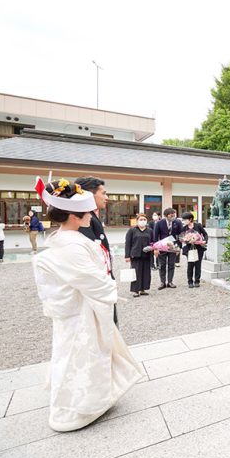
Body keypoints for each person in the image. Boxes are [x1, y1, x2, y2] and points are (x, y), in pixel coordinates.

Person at [32, 177, 142, 432]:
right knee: (81, 356)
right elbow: (92, 280)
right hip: (81, 311)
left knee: (80, 355)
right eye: (84, 210)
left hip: (80, 308)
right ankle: (77, 409)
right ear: (73, 216)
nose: (90, 213)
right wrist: (109, 287)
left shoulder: (64, 239)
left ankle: (98, 397)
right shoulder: (71, 244)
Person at [74, 176, 118, 326]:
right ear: (89, 194)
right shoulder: (84, 218)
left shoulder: (91, 215)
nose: (106, 197)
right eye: (103, 193)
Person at [124, 213, 154, 297]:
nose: (143, 221)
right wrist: (127, 256)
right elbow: (128, 243)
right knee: (136, 272)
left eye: (144, 220)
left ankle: (143, 289)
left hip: (147, 255)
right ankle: (136, 290)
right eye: (141, 219)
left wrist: (152, 249)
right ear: (137, 221)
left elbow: (152, 242)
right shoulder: (132, 230)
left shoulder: (150, 230)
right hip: (135, 255)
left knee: (146, 273)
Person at [153, 207, 183, 289]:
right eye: (171, 215)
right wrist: (155, 248)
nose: (173, 216)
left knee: (171, 264)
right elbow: (155, 236)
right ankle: (162, 282)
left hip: (173, 246)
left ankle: (170, 282)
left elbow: (181, 235)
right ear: (166, 216)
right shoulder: (159, 223)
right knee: (162, 265)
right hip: (162, 246)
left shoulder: (177, 222)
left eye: (174, 215)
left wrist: (179, 247)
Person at [180, 211, 208, 288]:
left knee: (198, 265)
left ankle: (197, 281)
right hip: (189, 249)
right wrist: (186, 239)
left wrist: (204, 240)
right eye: (183, 220)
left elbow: (205, 234)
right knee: (190, 265)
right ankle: (190, 281)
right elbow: (181, 237)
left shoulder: (198, 225)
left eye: (185, 219)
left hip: (199, 248)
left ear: (191, 219)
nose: (184, 221)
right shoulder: (184, 228)